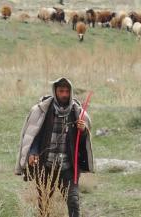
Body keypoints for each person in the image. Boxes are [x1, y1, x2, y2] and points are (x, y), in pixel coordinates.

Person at [15, 77, 94, 217]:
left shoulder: (78, 113)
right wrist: (32, 152)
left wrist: (83, 130)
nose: (64, 94)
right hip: (46, 166)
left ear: (71, 92)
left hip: (68, 168)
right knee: (44, 204)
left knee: (74, 202)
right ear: (55, 91)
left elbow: (82, 143)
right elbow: (34, 134)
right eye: (61, 91)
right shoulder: (43, 111)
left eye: (67, 91)